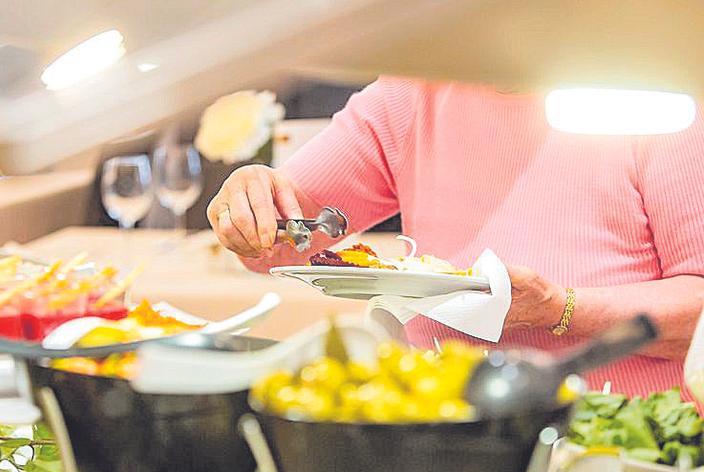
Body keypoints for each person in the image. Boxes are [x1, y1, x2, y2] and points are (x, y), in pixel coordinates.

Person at [206, 77, 704, 398]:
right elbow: (272, 244)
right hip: (450, 421)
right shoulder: (416, 90)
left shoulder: (662, 94)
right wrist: (248, 203)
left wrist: (560, 308)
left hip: (625, 433)